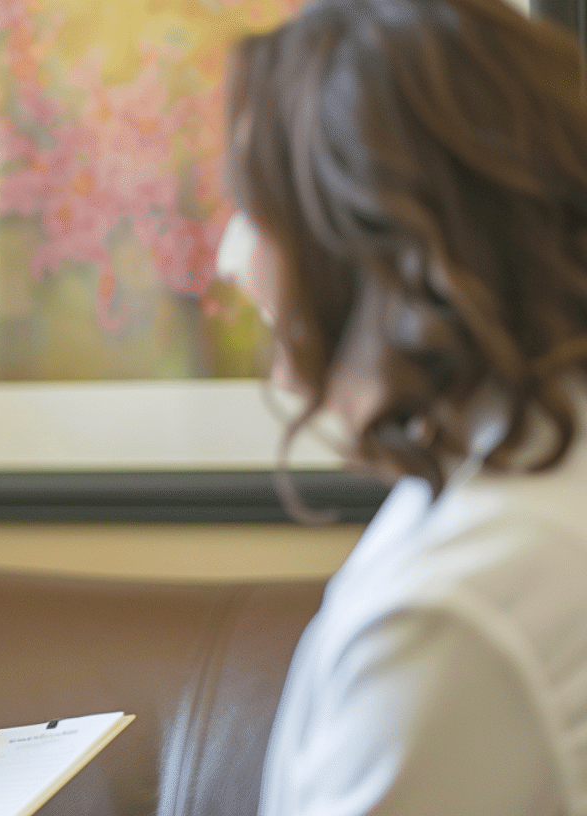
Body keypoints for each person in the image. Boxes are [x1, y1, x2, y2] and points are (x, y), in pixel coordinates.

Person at [216, 0, 587, 813]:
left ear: (370, 243)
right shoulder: (507, 467)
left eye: (253, 213)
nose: (230, 261)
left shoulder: (458, 609)